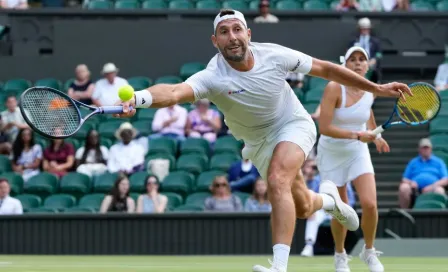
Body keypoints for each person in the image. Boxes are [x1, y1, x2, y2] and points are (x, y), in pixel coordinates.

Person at [114, 9, 411, 272]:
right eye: (224, 32)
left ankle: (279, 266)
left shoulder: (275, 55)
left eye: (237, 29)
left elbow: (327, 69)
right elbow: (175, 92)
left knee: (277, 179)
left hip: (294, 124)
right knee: (305, 206)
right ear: (214, 41)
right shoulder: (212, 76)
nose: (232, 37)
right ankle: (330, 201)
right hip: (258, 142)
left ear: (248, 33)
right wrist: (139, 98)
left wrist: (378, 88)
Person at [317, 46, 391, 272]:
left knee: (370, 204)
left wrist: (375, 135)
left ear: (367, 66)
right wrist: (359, 135)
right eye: (353, 60)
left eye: (362, 59)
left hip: (357, 151)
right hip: (331, 152)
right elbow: (325, 127)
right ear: (345, 65)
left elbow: (366, 112)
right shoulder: (333, 87)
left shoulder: (370, 91)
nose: (358, 63)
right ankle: (340, 254)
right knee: (342, 209)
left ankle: (369, 251)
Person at [399, 138, 448, 208]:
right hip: (415, 189)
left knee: (440, 191)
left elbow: (445, 179)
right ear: (419, 149)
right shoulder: (413, 162)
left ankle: (438, 216)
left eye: (427, 148)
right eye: (423, 148)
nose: (425, 150)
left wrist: (432, 186)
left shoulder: (439, 162)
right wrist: (411, 182)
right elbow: (404, 179)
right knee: (404, 187)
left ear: (431, 149)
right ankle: (405, 213)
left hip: (434, 187)